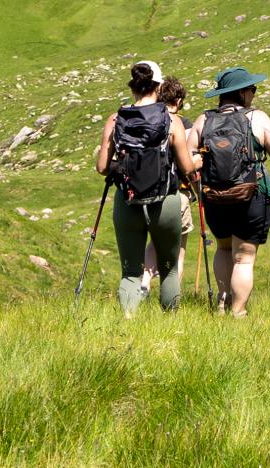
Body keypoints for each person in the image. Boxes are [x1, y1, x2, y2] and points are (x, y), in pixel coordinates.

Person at [94, 61, 198, 317]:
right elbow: (187, 168)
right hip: (166, 202)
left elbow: (102, 167)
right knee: (169, 268)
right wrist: (196, 163)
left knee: (131, 272)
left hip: (128, 202)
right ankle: (169, 321)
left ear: (134, 86)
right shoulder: (171, 121)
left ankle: (128, 320)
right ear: (159, 86)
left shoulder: (116, 119)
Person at [192, 67, 270, 316]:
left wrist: (198, 188)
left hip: (214, 197)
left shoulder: (204, 120)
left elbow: (188, 158)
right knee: (244, 258)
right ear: (242, 93)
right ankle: (239, 312)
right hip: (250, 194)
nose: (254, 93)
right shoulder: (257, 118)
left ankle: (222, 304)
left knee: (224, 249)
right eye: (252, 89)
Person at [141, 77, 193, 296]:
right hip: (176, 191)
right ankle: (172, 296)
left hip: (146, 191)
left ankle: (144, 282)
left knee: (155, 239)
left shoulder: (148, 120)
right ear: (178, 100)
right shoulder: (182, 123)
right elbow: (187, 162)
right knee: (178, 249)